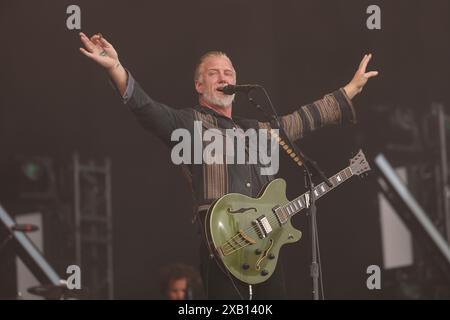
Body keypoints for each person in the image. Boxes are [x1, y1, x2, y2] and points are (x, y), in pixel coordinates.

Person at [79, 32, 378, 299]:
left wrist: (350, 89)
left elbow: (301, 119)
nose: (224, 78)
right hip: (222, 244)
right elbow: (147, 110)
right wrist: (116, 68)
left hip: (266, 246)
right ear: (199, 84)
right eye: (214, 73)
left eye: (229, 72)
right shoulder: (190, 124)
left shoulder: (256, 130)